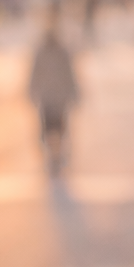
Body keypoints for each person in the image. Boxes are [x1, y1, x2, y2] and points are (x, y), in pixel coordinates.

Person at [27, 11, 80, 176]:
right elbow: (35, 74)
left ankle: (56, 154)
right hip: (51, 97)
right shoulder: (49, 52)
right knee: (51, 128)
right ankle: (54, 154)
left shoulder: (59, 52)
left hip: (53, 97)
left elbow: (69, 74)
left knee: (56, 128)